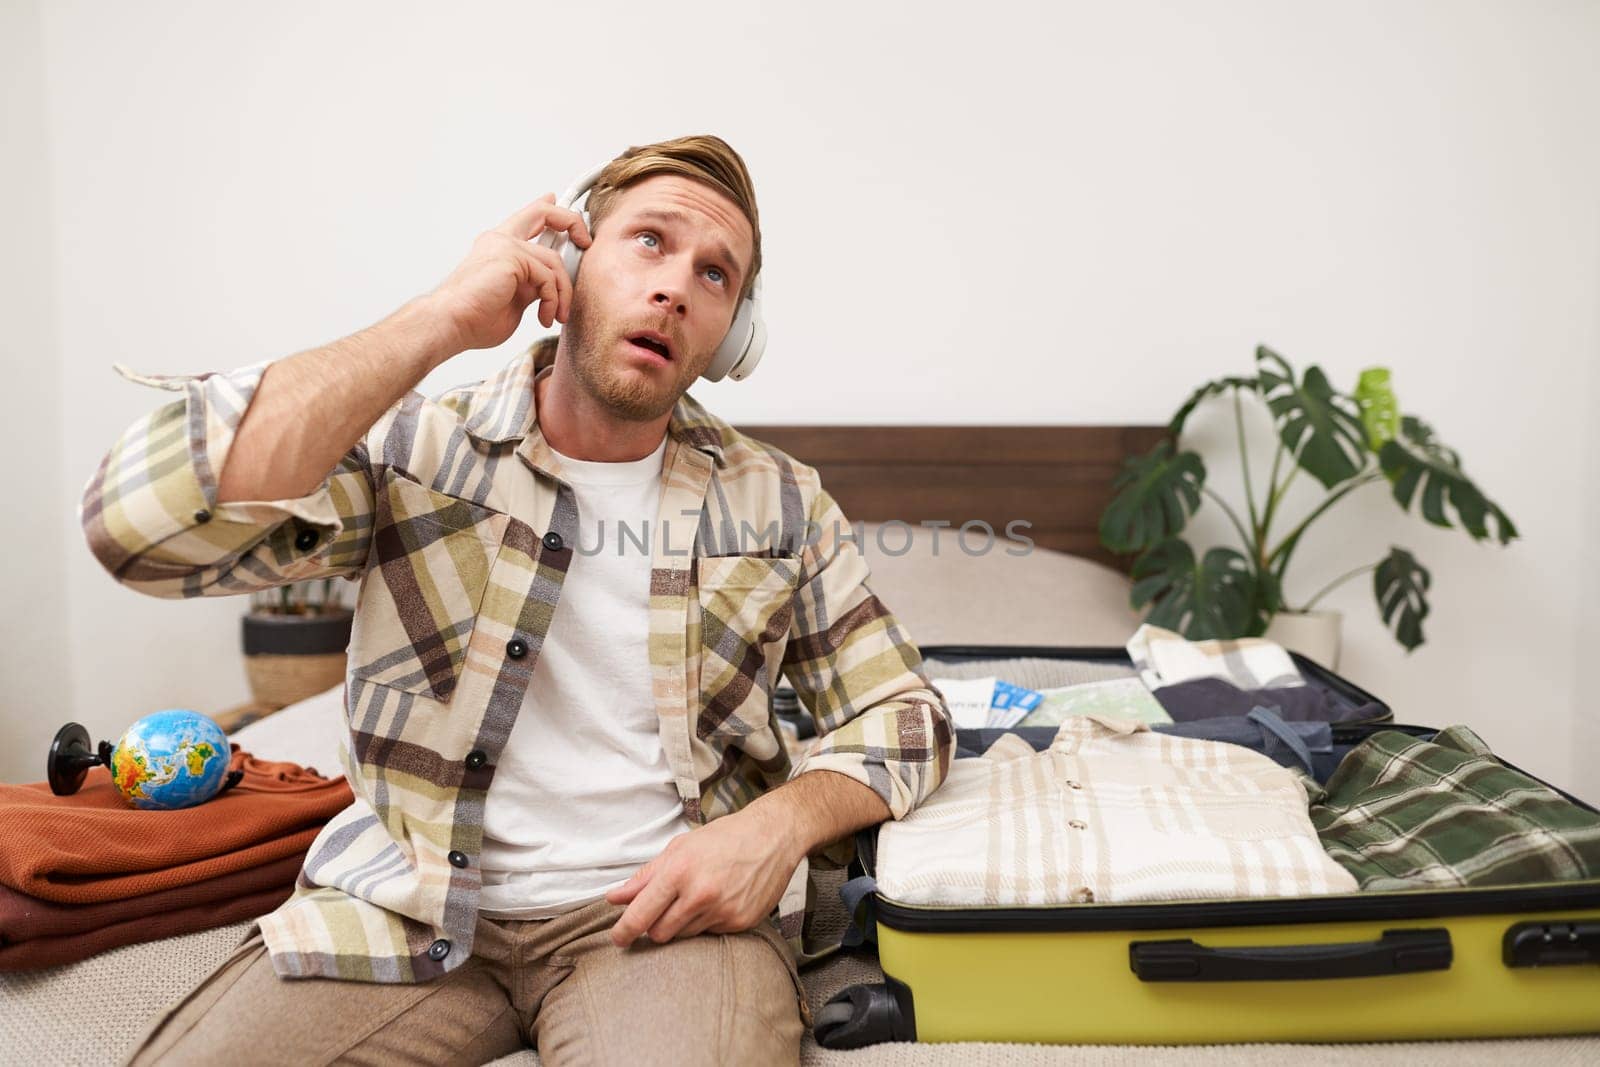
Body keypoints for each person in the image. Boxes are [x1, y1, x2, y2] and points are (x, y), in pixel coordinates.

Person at [83, 133, 954, 1066]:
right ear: (571, 261)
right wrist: (441, 317)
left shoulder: (779, 502)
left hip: (663, 921)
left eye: (715, 275)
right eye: (650, 242)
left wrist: (773, 829)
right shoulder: (412, 449)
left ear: (729, 339)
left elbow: (906, 713)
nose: (674, 287)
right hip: (405, 911)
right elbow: (138, 527)